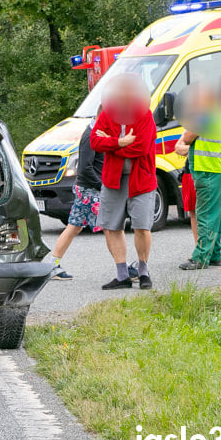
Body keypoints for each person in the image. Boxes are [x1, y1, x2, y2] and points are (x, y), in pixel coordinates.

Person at [89, 73, 156, 290]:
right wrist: (119, 142)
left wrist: (111, 144)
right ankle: (122, 275)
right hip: (113, 180)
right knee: (110, 227)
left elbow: (141, 148)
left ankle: (143, 271)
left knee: (142, 227)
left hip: (141, 180)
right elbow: (94, 141)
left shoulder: (145, 116)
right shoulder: (108, 115)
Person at [175, 79, 221, 270]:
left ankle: (200, 257)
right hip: (218, 169)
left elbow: (188, 136)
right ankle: (214, 254)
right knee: (214, 215)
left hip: (207, 169)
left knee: (205, 215)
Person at [48, 116, 105, 280]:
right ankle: (123, 267)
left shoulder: (97, 132)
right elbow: (85, 167)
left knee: (74, 227)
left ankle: (53, 265)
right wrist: (100, 185)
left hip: (86, 188)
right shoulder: (91, 135)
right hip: (90, 190)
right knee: (111, 227)